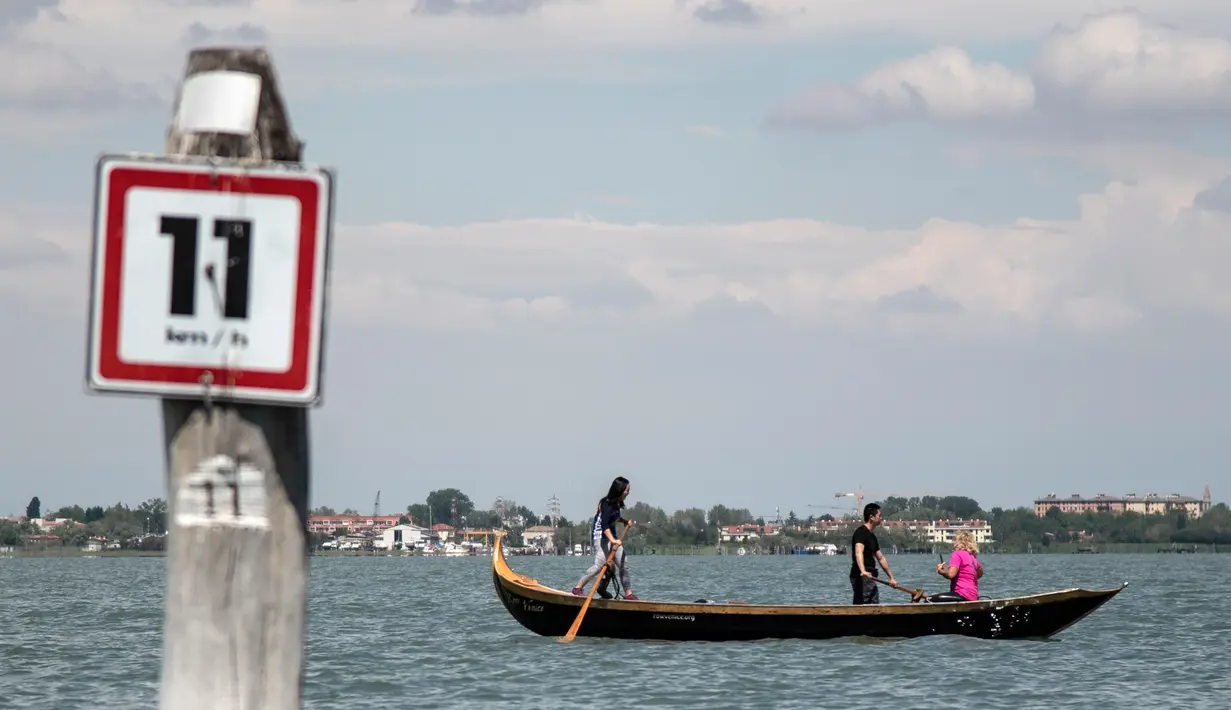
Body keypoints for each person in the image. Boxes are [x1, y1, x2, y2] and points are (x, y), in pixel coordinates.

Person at [571, 476, 639, 601]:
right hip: (600, 536)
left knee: (623, 563)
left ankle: (628, 594)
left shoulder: (617, 504)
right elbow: (604, 525)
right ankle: (578, 588)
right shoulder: (606, 504)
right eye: (627, 490)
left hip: (611, 536)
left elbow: (615, 518)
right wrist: (613, 541)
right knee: (600, 564)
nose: (628, 493)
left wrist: (623, 521)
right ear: (619, 489)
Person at [849, 503, 897, 605]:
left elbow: (881, 558)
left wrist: (892, 578)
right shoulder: (861, 532)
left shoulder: (872, 536)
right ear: (871, 517)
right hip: (862, 577)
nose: (881, 518)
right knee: (866, 604)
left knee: (871, 602)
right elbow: (858, 552)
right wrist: (863, 571)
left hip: (871, 577)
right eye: (879, 515)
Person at [935, 530, 983, 601]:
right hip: (973, 596)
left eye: (955, 540)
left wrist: (941, 571)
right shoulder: (973, 557)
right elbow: (980, 573)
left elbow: (951, 574)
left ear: (958, 541)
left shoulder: (957, 554)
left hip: (961, 594)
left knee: (929, 600)